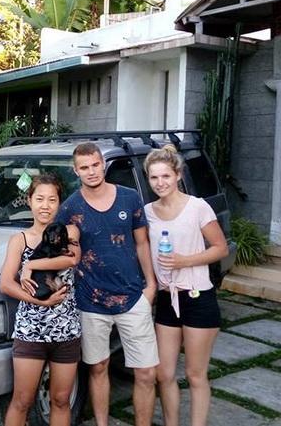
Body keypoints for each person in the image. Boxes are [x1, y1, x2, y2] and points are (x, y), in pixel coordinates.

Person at [52, 142, 158, 426]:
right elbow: (63, 254)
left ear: (103, 164)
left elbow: (142, 243)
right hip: (90, 302)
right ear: (76, 171)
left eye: (95, 165)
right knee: (98, 367)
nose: (91, 171)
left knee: (147, 372)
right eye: (84, 167)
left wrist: (150, 287)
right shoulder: (69, 209)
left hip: (133, 296)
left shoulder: (130, 198)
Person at [143, 145, 229, 426]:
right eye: (154, 178)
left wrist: (184, 261)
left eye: (165, 176)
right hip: (168, 301)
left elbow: (220, 248)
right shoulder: (147, 212)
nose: (160, 183)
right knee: (164, 374)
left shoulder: (197, 207)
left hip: (198, 298)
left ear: (178, 174)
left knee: (195, 374)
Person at [0, 174, 82, 426]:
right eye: (39, 199)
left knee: (60, 399)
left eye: (52, 199)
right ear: (29, 201)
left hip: (66, 330)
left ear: (60, 203)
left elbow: (71, 259)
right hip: (30, 331)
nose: (45, 205)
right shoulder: (19, 240)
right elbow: (5, 283)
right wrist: (40, 303)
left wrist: (31, 264)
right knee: (22, 401)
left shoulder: (69, 231)